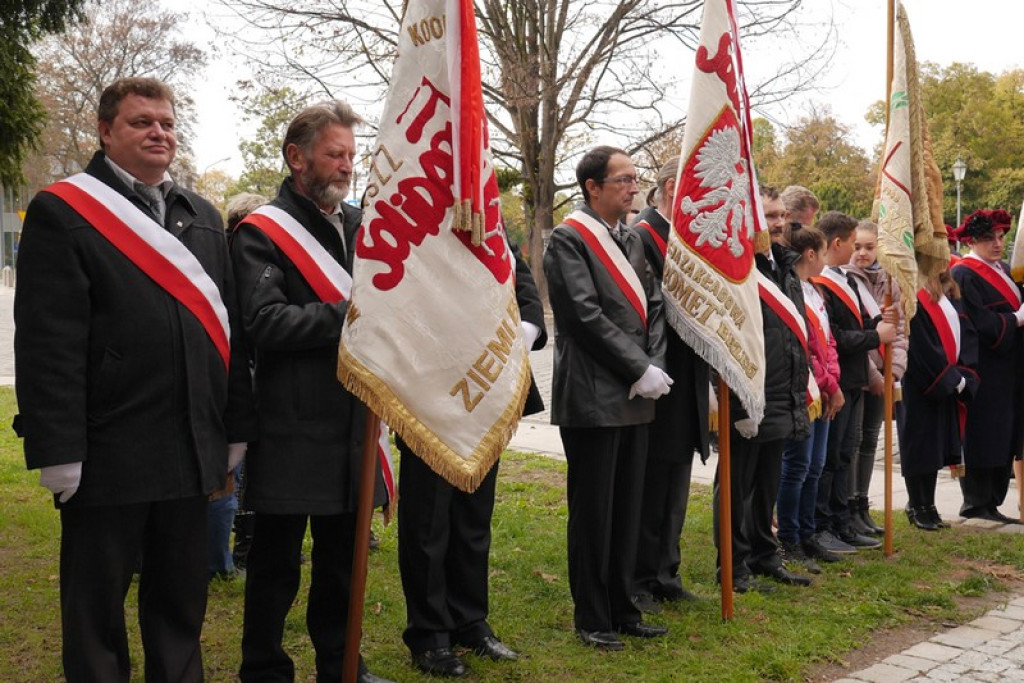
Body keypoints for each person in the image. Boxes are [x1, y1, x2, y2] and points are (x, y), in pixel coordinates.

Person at [13, 76, 256, 682]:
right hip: (107, 450)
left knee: (179, 604)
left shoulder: (200, 215)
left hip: (190, 446)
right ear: (105, 131)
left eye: (167, 123)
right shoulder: (62, 210)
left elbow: (231, 333)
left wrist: (234, 427)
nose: (158, 132)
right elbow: (48, 344)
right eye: (141, 122)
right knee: (96, 610)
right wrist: (58, 449)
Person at [230, 100, 390, 683]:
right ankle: (265, 667)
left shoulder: (361, 228)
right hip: (290, 425)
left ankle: (340, 662)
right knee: (276, 563)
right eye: (334, 154)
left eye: (352, 154)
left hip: (353, 419)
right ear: (297, 158)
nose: (347, 166)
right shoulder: (261, 232)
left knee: (343, 561)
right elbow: (265, 322)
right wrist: (350, 315)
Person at [396, 237, 547, 678]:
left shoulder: (482, 212)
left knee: (473, 516)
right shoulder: (416, 213)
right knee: (429, 521)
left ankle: (470, 621)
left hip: (487, 386)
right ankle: (430, 634)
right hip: (431, 385)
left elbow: (520, 280)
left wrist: (525, 330)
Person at [544, 145, 671, 651]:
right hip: (594, 396)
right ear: (592, 186)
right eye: (622, 179)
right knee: (595, 511)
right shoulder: (567, 240)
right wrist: (638, 366)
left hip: (637, 393)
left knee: (628, 506)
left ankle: (623, 606)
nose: (632, 187)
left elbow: (655, 305)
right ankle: (592, 615)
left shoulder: (632, 241)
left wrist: (655, 365)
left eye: (635, 178)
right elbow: (582, 314)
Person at [712, 187, 813, 593]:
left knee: (767, 483)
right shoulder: (737, 268)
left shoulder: (783, 265)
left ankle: (764, 555)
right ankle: (733, 567)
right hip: (747, 395)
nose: (776, 224)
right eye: (767, 217)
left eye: (779, 215)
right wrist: (737, 403)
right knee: (737, 487)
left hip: (782, 392)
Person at [630, 157, 710, 612]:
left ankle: (666, 569)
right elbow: (651, 305)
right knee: (654, 479)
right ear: (666, 188)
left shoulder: (684, 237)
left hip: (686, 374)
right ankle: (642, 575)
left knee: (676, 477)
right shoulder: (645, 234)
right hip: (662, 372)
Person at [811, 212, 897, 554]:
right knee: (830, 458)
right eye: (851, 243)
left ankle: (842, 519)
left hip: (855, 379)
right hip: (838, 381)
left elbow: (862, 320)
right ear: (838, 243)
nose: (855, 251)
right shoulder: (823, 284)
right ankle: (823, 524)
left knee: (846, 453)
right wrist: (874, 335)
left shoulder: (847, 280)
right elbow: (837, 336)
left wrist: (880, 319)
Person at [207, 192, 271, 582]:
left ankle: (235, 552)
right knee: (233, 476)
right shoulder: (236, 257)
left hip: (239, 372)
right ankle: (229, 556)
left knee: (238, 476)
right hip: (236, 374)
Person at [777, 223, 845, 572]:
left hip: (824, 388)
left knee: (815, 466)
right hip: (807, 390)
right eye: (822, 252)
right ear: (810, 254)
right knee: (797, 467)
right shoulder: (792, 292)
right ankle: (788, 537)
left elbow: (828, 341)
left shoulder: (817, 292)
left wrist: (833, 381)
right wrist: (827, 383)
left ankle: (807, 532)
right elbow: (805, 349)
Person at [950, 210, 1024, 524]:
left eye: (1000, 237)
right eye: (988, 238)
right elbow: (977, 322)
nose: (996, 244)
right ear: (972, 240)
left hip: (1010, 367)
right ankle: (977, 501)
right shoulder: (965, 273)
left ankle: (993, 500)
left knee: (1005, 433)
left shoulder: (1005, 270)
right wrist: (1016, 319)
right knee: (984, 433)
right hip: (985, 366)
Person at [901, 270, 979, 529]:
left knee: (935, 445)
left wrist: (962, 374)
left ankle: (929, 504)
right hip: (923, 380)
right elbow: (921, 343)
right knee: (919, 444)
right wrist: (948, 377)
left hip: (947, 377)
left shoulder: (948, 292)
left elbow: (964, 332)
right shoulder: (914, 292)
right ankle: (916, 504)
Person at [845, 220, 908, 536]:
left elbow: (899, 332)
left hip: (884, 374)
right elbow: (853, 332)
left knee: (871, 438)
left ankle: (862, 502)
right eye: (857, 246)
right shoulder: (846, 279)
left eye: (870, 247)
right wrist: (873, 374)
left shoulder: (889, 280)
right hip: (861, 373)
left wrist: (893, 370)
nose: (862, 253)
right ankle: (848, 505)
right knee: (854, 441)